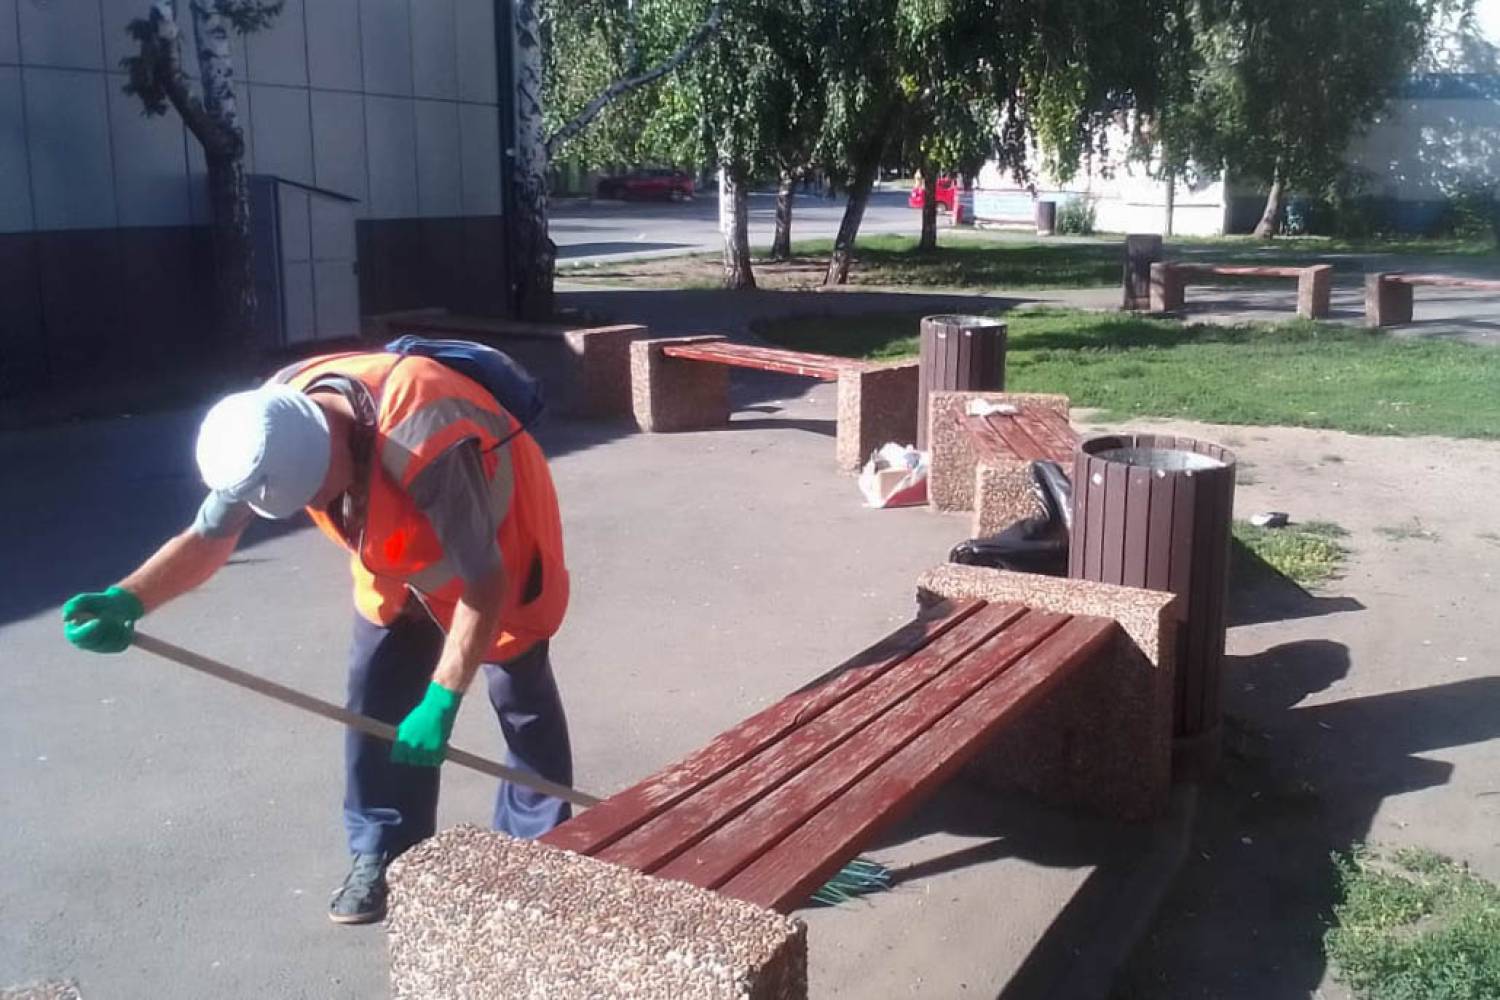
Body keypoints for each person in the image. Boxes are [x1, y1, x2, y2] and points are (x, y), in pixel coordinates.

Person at [61, 349, 573, 925]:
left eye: (316, 493)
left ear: (335, 442)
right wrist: (130, 598)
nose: (315, 507)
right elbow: (209, 536)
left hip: (501, 537)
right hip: (394, 549)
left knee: (520, 693)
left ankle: (537, 860)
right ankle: (385, 850)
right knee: (376, 691)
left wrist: (443, 698)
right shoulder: (267, 428)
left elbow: (484, 579)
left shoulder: (424, 431)